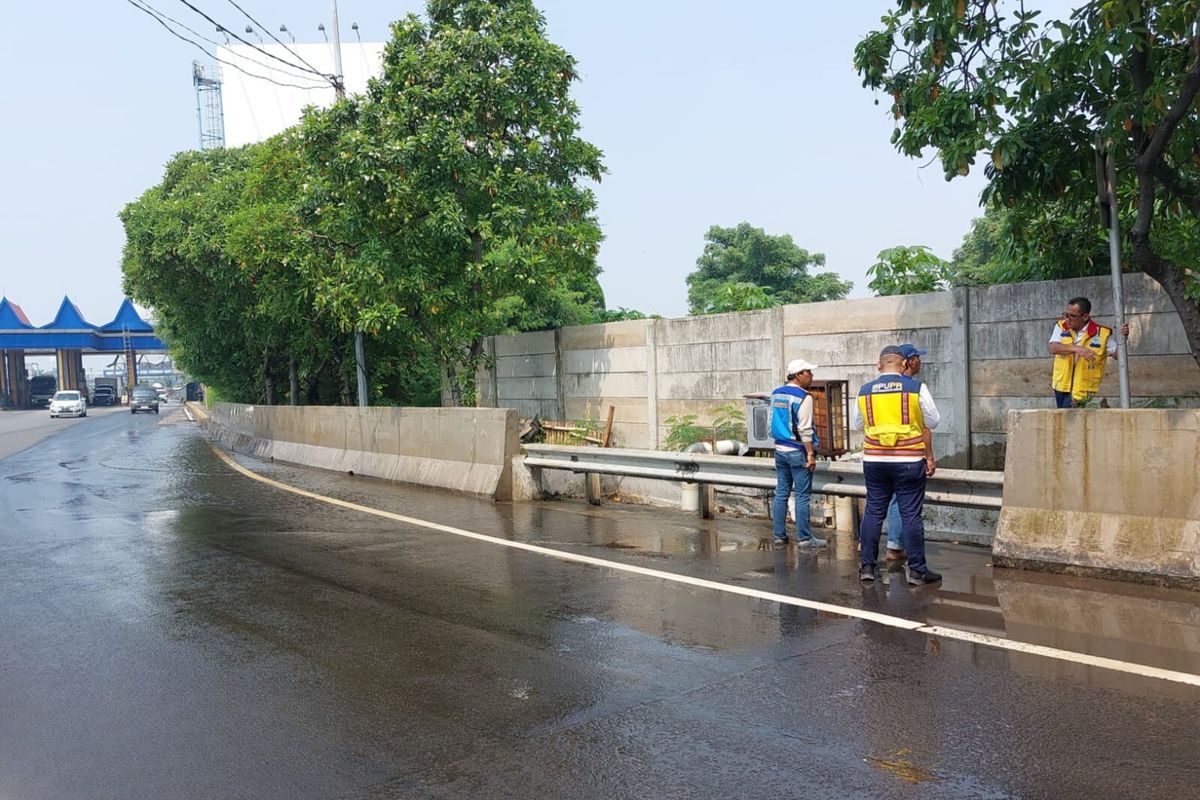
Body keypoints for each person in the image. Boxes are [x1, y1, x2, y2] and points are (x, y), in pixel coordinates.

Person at [851, 346, 941, 584]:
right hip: (909, 460)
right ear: (904, 365)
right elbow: (933, 421)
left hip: (875, 460)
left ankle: (868, 568)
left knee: (873, 511)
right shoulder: (916, 388)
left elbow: (857, 424)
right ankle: (918, 572)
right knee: (910, 514)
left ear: (879, 366)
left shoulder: (864, 390)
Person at [884, 342, 933, 562]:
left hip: (878, 455)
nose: (920, 361)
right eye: (918, 357)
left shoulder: (874, 389)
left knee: (879, 500)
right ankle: (899, 550)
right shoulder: (913, 389)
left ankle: (866, 544)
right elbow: (927, 426)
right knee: (905, 504)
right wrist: (929, 457)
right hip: (907, 456)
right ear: (909, 361)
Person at [770, 358, 826, 548]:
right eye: (808, 372)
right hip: (798, 451)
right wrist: (810, 454)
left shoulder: (776, 393)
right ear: (798, 375)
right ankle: (804, 538)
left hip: (780, 449)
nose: (811, 375)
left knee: (782, 493)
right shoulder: (804, 397)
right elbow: (805, 429)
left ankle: (779, 535)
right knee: (802, 495)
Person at [1048, 296, 1129, 408]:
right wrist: (1076, 349)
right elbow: (1053, 348)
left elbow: (1119, 356)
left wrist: (1122, 337)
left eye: (1072, 316)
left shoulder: (1102, 334)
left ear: (1085, 316)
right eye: (1065, 314)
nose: (1067, 319)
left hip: (1084, 391)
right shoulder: (1061, 326)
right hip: (1061, 387)